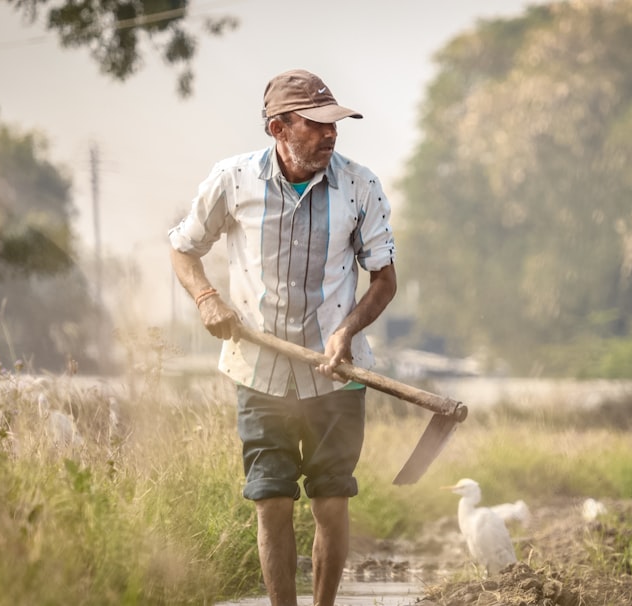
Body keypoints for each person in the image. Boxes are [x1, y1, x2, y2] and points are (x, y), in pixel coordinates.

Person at [168, 69, 397, 606]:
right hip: (259, 372)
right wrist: (207, 298)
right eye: (316, 124)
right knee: (271, 501)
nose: (330, 134)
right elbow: (182, 249)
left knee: (331, 501)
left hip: (336, 373)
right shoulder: (232, 181)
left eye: (334, 123)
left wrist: (345, 332)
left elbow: (384, 281)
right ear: (278, 128)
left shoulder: (360, 186)